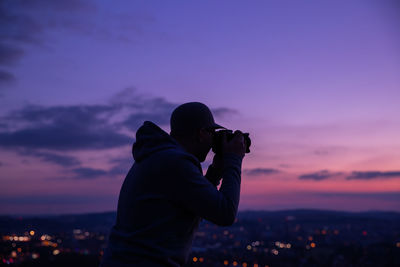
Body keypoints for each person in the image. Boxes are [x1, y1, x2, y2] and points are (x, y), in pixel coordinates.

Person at [100, 102, 246, 267]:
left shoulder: (160, 157)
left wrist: (216, 171)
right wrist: (234, 160)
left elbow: (195, 204)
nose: (213, 140)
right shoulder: (175, 162)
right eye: (212, 133)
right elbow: (225, 213)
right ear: (201, 133)